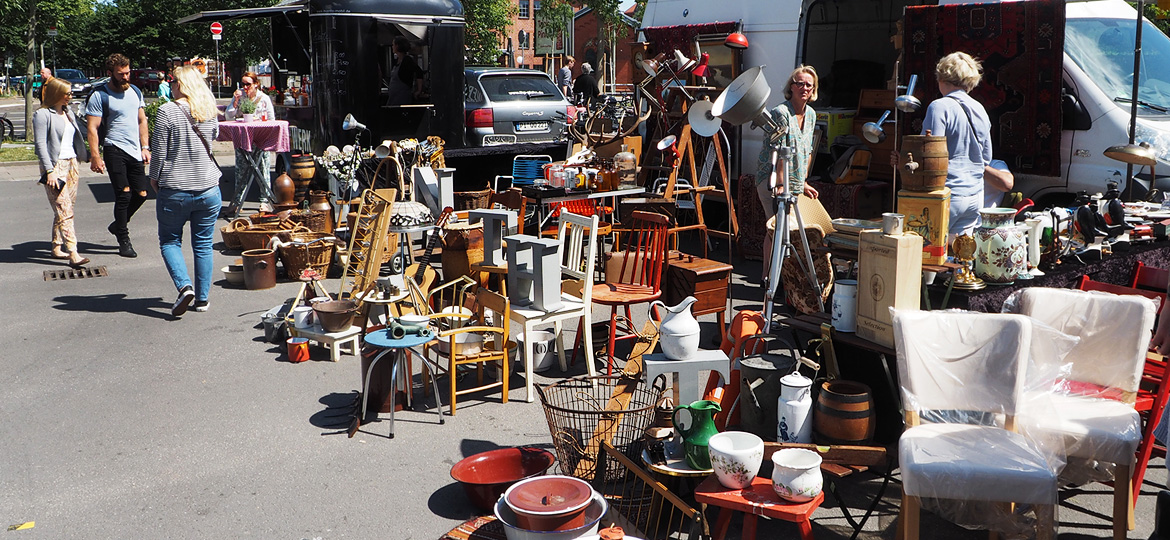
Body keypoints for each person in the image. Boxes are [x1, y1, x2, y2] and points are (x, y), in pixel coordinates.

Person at [150, 65, 222, 317]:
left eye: (173, 81)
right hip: (209, 188)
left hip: (176, 188)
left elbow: (159, 152)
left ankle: (184, 286)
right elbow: (212, 139)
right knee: (203, 244)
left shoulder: (167, 111)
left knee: (170, 240)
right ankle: (202, 299)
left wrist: (154, 178)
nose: (170, 85)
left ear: (182, 85)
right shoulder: (209, 111)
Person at [920, 51, 993, 238]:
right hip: (975, 196)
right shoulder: (980, 109)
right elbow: (986, 158)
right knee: (960, 257)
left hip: (947, 193)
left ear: (941, 77)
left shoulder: (939, 106)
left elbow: (930, 153)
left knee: (927, 254)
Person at [85, 53, 150, 258]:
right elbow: (93, 128)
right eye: (121, 74)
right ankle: (123, 238)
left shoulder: (135, 92)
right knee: (123, 194)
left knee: (141, 195)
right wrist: (96, 156)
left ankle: (117, 224)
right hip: (114, 148)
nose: (125, 77)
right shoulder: (99, 95)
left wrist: (145, 146)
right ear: (110, 73)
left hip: (134, 150)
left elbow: (142, 121)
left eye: (127, 73)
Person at [33, 77, 91, 269]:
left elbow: (76, 138)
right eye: (67, 93)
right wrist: (49, 171)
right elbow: (41, 145)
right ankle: (73, 253)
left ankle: (57, 247)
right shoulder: (42, 114)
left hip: (72, 163)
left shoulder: (68, 112)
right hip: (54, 166)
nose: (70, 96)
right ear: (57, 94)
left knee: (66, 209)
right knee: (64, 210)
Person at [755, 65, 821, 220]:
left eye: (808, 85)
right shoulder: (781, 113)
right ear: (791, 87)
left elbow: (807, 151)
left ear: (813, 89)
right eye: (799, 84)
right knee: (776, 229)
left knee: (789, 231)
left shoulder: (811, 114)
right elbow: (778, 153)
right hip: (772, 179)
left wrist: (803, 182)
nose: (804, 88)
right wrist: (779, 185)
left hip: (794, 182)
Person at [225, 71, 275, 215]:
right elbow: (228, 116)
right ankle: (237, 201)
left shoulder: (264, 98)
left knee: (263, 169)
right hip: (243, 138)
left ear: (256, 84)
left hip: (260, 138)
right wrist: (235, 102)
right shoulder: (240, 97)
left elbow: (271, 118)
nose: (245, 87)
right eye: (243, 84)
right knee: (241, 170)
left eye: (248, 84)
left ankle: (264, 202)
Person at [386, 37, 424, 106]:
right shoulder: (397, 61)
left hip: (402, 99)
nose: (392, 47)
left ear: (397, 46)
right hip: (393, 99)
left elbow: (419, 72)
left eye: (393, 45)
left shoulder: (407, 60)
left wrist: (419, 90)